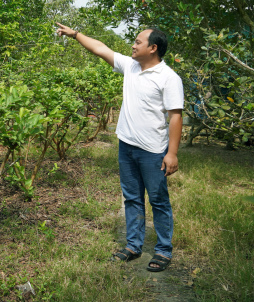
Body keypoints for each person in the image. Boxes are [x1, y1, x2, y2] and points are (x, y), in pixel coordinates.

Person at [55, 23, 183, 272]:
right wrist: (75, 34)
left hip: (152, 151)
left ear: (153, 48)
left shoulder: (169, 78)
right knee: (132, 198)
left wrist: (172, 153)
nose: (132, 46)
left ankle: (163, 251)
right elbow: (100, 49)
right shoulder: (131, 67)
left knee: (158, 201)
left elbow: (175, 117)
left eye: (137, 42)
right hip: (127, 147)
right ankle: (134, 245)